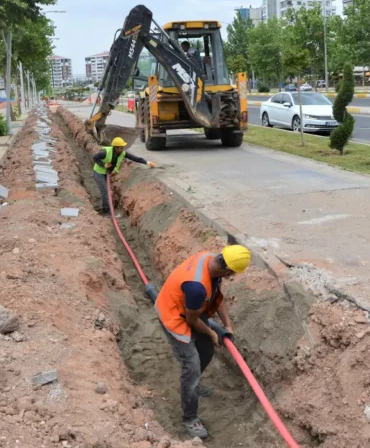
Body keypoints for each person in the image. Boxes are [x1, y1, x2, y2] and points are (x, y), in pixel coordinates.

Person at [154, 245, 252, 439]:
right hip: (174, 316)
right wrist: (212, 332)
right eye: (233, 274)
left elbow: (217, 297)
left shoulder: (210, 259)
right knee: (191, 366)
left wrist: (227, 326)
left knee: (206, 351)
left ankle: (195, 382)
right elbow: (191, 321)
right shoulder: (197, 287)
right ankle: (190, 418)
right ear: (228, 270)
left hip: (191, 308)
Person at [92, 137, 155, 215]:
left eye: (123, 147)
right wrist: (103, 165)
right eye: (121, 148)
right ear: (116, 148)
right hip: (99, 173)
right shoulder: (105, 152)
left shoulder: (122, 153)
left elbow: (135, 158)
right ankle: (106, 211)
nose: (122, 149)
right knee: (105, 192)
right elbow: (95, 157)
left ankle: (108, 207)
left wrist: (147, 162)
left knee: (107, 191)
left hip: (107, 173)